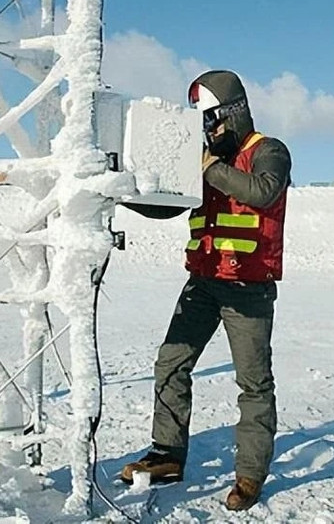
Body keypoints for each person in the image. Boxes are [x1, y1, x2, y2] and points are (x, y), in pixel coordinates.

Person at [120, 69, 291, 512]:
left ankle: (250, 475)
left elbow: (263, 192)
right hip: (203, 281)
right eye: (202, 122)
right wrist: (120, 188)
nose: (209, 130)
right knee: (171, 363)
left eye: (213, 119)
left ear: (234, 113)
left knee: (253, 383)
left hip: (248, 290)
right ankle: (167, 455)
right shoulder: (204, 157)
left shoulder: (268, 151)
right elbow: (167, 206)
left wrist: (208, 166)